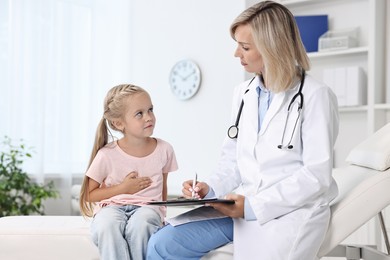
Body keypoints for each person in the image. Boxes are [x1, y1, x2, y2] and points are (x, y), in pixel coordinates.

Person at [147, 1, 339, 259]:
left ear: (273, 47)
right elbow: (233, 159)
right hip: (239, 205)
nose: (236, 53)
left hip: (289, 212)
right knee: (162, 244)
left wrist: (253, 207)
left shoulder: (315, 96)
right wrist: (210, 188)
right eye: (237, 44)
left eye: (245, 47)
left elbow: (316, 176)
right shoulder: (244, 93)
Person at [79, 84, 178, 260]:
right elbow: (88, 193)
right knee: (107, 225)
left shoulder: (164, 149)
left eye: (150, 110)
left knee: (142, 224)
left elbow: (163, 187)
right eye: (139, 113)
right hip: (111, 207)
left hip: (148, 207)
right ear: (119, 123)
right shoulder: (106, 155)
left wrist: (162, 213)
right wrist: (123, 188)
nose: (149, 117)